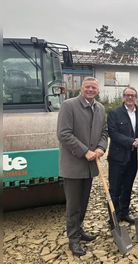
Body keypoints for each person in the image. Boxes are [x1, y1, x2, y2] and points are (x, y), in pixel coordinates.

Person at [57, 77, 108, 256]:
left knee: (84, 202)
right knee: (73, 205)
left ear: (98, 90)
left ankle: (79, 230)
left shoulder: (100, 108)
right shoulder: (69, 106)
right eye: (87, 87)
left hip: (90, 166)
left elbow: (104, 131)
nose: (91, 90)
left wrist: (101, 148)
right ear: (81, 88)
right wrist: (85, 151)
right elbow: (63, 133)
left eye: (94, 87)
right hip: (73, 165)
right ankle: (73, 240)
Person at [106, 87, 138, 227]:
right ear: (123, 97)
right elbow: (113, 133)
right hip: (118, 157)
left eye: (132, 95)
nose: (130, 98)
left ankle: (124, 212)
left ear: (136, 97)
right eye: (127, 95)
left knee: (128, 186)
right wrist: (132, 141)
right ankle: (113, 217)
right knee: (115, 188)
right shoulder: (114, 113)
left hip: (134, 157)